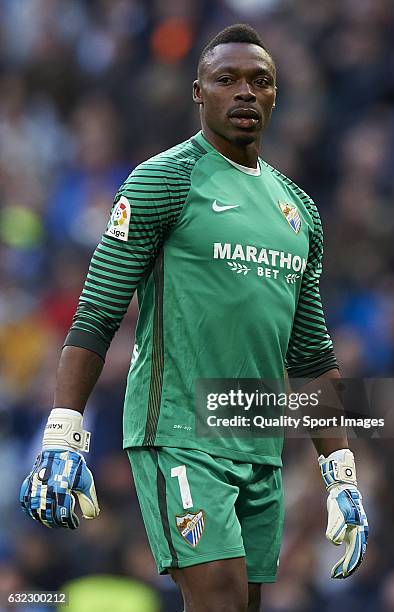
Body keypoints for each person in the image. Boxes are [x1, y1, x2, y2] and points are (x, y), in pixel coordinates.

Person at [20, 24, 368, 612]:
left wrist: (340, 468)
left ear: (277, 96)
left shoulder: (299, 209)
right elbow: (100, 305)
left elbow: (310, 352)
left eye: (261, 82)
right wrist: (64, 425)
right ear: (197, 93)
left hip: (259, 442)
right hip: (179, 432)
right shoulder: (164, 178)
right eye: (226, 80)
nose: (244, 93)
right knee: (220, 601)